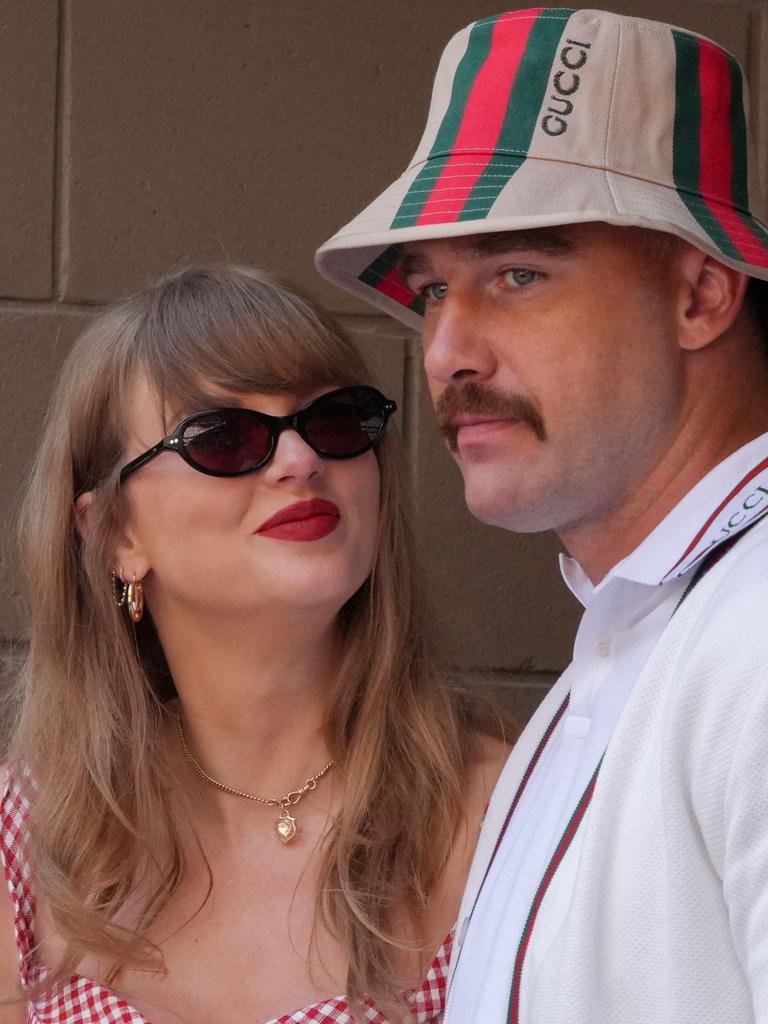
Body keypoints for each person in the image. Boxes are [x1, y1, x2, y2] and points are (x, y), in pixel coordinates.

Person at [316, 8, 768, 1023]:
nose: (445, 353)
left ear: (701, 294)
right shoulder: (612, 662)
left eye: (517, 274)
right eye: (433, 291)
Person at [0, 264, 508, 1024]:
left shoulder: (507, 811)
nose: (301, 460)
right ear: (114, 535)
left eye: (335, 421)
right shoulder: (29, 837)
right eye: (224, 436)